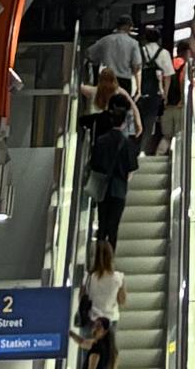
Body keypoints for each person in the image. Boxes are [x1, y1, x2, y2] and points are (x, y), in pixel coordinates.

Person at [85, 71, 139, 254]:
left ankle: (98, 257)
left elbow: (94, 164)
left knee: (102, 223)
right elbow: (131, 168)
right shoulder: (127, 144)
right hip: (119, 189)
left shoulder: (101, 141)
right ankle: (109, 258)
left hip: (103, 188)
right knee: (113, 226)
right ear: (123, 122)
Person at [79, 236, 127, 367]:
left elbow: (81, 298)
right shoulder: (118, 278)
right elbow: (122, 300)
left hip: (91, 321)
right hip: (109, 323)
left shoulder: (89, 277)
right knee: (109, 356)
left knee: (89, 356)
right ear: (111, 257)